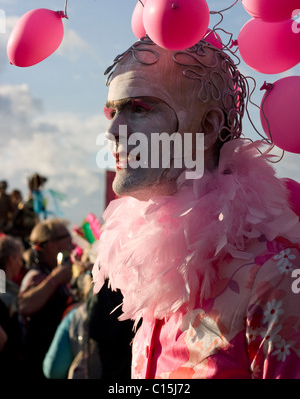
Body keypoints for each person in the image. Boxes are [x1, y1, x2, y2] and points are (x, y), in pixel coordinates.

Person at [92, 36, 300, 379]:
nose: (113, 131)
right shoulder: (152, 266)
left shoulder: (273, 274)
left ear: (206, 128)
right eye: (112, 111)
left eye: (139, 108)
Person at [18, 218, 74, 379]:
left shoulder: (47, 273)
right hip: (38, 366)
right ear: (51, 245)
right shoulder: (35, 276)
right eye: (68, 242)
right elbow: (24, 305)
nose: (72, 247)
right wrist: (54, 279)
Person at [0, 234, 24, 376]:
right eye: (19, 259)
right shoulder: (3, 289)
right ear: (10, 259)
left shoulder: (9, 287)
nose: (21, 264)